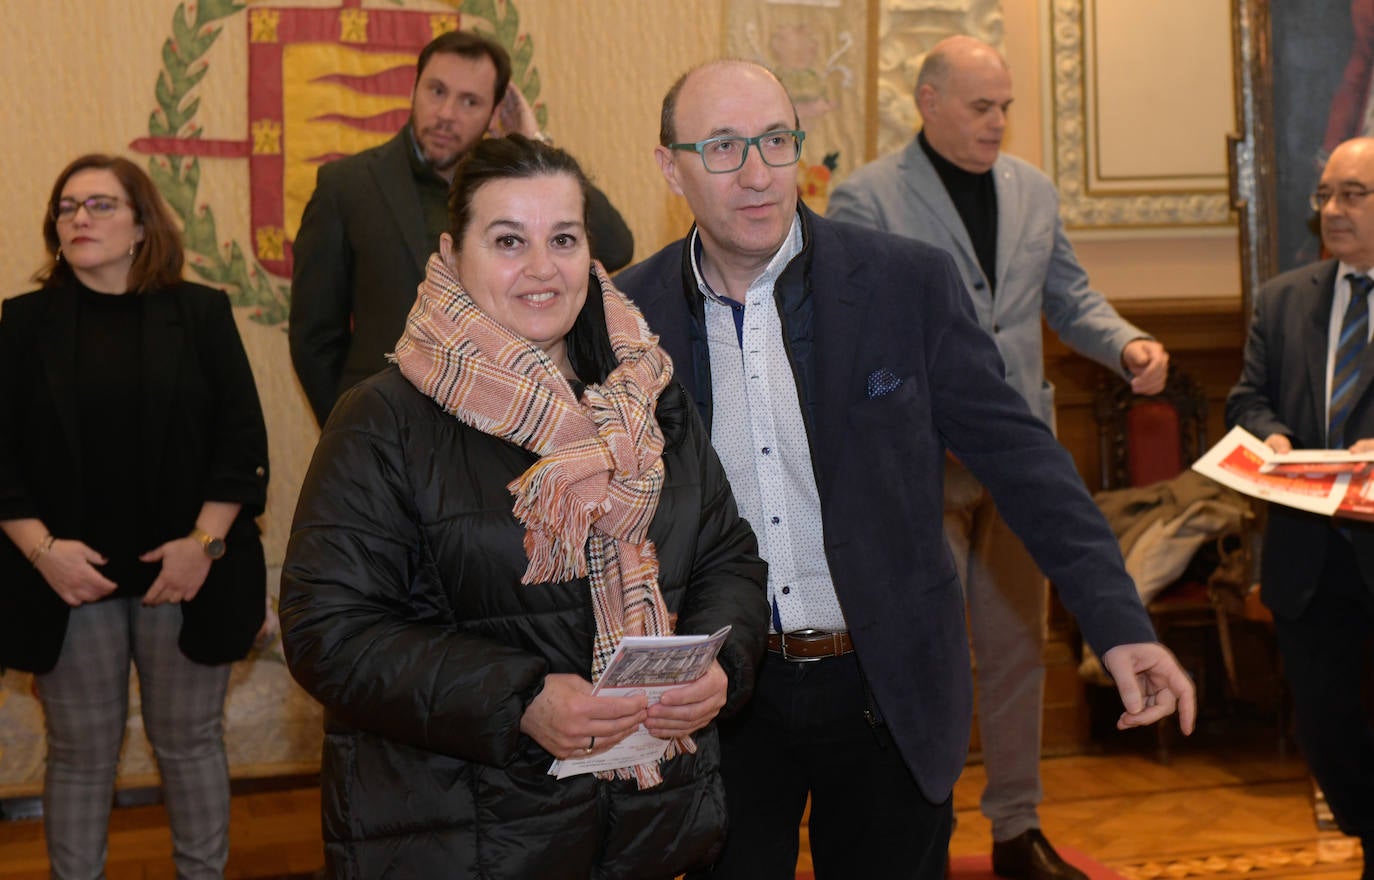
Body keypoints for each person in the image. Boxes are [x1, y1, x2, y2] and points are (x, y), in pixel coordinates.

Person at [615, 59, 1196, 880]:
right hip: (720, 701)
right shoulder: (627, 318)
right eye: (721, 147)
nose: (756, 173)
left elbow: (1025, 461)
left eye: (776, 142)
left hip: (884, 690)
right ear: (668, 166)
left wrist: (1120, 621)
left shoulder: (903, 284)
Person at [278, 134, 769, 879]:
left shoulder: (649, 399)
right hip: (456, 836)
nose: (542, 268)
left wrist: (721, 664)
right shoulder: (384, 419)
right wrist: (520, 698)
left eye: (563, 239)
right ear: (452, 252)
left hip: (646, 826)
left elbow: (726, 552)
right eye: (509, 240)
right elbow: (328, 632)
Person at [826, 35, 1169, 880]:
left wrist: (1125, 346)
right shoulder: (866, 199)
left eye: (1007, 106)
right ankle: (923, 823)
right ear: (929, 102)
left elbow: (1069, 296)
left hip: (1016, 461)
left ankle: (1016, 829)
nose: (998, 121)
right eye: (981, 106)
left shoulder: (1033, 190)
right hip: (917, 469)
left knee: (1019, 651)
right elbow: (852, 330)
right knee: (927, 653)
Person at [0, 154, 269, 879]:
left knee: (188, 741)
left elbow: (241, 445)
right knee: (81, 752)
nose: (79, 218)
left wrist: (203, 546)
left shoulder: (202, 313)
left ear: (142, 225)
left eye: (100, 205)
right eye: (66, 207)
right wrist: (42, 552)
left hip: (181, 573)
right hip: (66, 579)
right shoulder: (22, 324)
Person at [290, 29, 635, 427]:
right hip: (385, 424)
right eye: (436, 91)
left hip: (505, 428)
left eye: (470, 101)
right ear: (414, 89)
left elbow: (614, 245)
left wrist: (532, 140)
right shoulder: (346, 186)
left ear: (494, 115)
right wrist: (349, 429)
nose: (446, 113)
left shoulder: (511, 191)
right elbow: (314, 337)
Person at [1226, 135, 1374, 880]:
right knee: (1325, 727)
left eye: (1353, 195)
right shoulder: (1285, 298)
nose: (1333, 211)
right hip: (1309, 555)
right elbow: (1246, 397)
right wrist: (1273, 434)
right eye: (1325, 195)